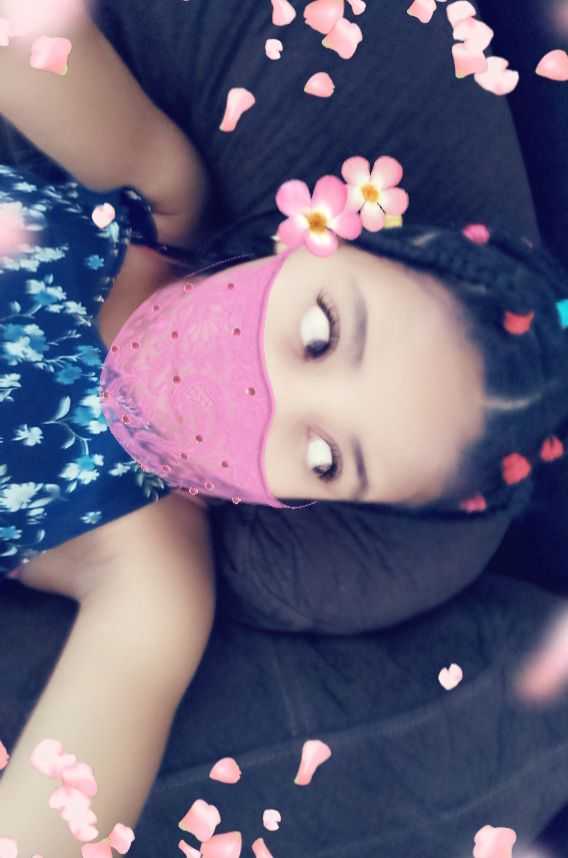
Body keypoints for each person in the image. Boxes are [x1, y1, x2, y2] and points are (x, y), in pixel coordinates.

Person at [0, 5, 567, 858]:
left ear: (305, 505)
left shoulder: (149, 578)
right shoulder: (157, 187)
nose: (264, 393)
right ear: (318, 243)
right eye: (320, 333)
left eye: (325, 456)